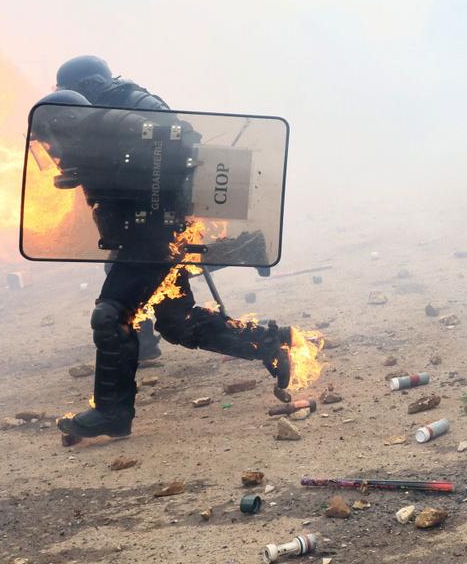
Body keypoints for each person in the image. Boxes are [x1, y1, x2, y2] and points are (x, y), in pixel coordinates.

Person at [45, 55, 296, 441]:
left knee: (111, 314)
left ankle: (112, 413)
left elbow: (181, 143)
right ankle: (268, 343)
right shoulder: (100, 118)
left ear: (87, 86)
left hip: (154, 232)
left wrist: (126, 175)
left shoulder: (129, 105)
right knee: (177, 321)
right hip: (141, 233)